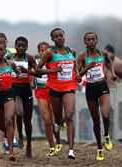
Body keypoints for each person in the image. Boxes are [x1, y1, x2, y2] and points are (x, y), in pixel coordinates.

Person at [35, 28, 81, 159]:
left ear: (64, 37)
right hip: (55, 89)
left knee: (70, 116)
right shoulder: (49, 53)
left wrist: (77, 75)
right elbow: (38, 70)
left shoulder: (71, 51)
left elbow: (74, 66)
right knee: (58, 118)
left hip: (69, 87)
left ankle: (71, 150)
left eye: (61, 36)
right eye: (56, 37)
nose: (59, 38)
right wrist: (54, 70)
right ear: (52, 39)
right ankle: (58, 123)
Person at [77, 32, 117, 160]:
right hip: (90, 88)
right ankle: (99, 148)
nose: (91, 41)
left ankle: (106, 135)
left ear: (97, 40)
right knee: (96, 121)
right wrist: (87, 67)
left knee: (105, 115)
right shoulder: (82, 56)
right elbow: (78, 77)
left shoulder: (102, 53)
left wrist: (112, 73)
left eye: (93, 39)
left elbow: (109, 62)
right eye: (88, 39)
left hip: (102, 86)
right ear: (85, 42)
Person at [6, 36, 38, 158]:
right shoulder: (9, 58)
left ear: (26, 47)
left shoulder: (29, 58)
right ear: (15, 46)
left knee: (27, 120)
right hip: (14, 88)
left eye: (23, 46)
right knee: (18, 113)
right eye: (18, 46)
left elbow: (38, 72)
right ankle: (20, 135)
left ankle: (29, 145)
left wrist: (27, 71)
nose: (20, 48)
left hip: (26, 88)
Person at [35, 42, 62, 156]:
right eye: (42, 50)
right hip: (40, 92)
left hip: (52, 91)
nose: (44, 52)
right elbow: (34, 72)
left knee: (55, 120)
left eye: (46, 50)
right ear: (38, 52)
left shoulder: (53, 61)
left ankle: (59, 141)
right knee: (46, 120)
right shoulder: (36, 62)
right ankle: (52, 147)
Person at [0, 32, 18, 152]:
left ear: (7, 42)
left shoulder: (13, 52)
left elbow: (19, 66)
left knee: (10, 116)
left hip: (11, 88)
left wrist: (19, 75)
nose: (1, 45)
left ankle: (11, 137)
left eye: (3, 42)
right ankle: (5, 136)